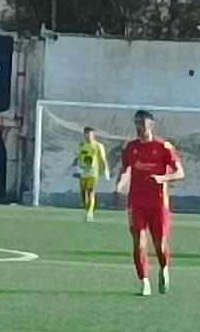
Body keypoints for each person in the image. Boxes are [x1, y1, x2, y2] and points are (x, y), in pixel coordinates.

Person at [117, 109, 184, 296]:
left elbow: (180, 173)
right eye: (137, 123)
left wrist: (162, 178)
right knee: (139, 242)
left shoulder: (164, 147)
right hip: (136, 202)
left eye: (143, 123)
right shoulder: (130, 148)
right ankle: (144, 281)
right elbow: (125, 169)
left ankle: (164, 268)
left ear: (151, 124)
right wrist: (119, 185)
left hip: (158, 203)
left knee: (159, 244)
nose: (139, 127)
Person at [72, 126, 110, 222]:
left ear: (93, 135)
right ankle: (87, 210)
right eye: (87, 134)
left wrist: (106, 170)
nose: (88, 136)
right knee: (83, 194)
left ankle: (90, 213)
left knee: (91, 192)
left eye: (90, 134)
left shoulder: (98, 146)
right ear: (84, 134)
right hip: (83, 172)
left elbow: (103, 158)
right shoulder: (81, 145)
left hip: (93, 173)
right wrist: (75, 168)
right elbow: (78, 157)